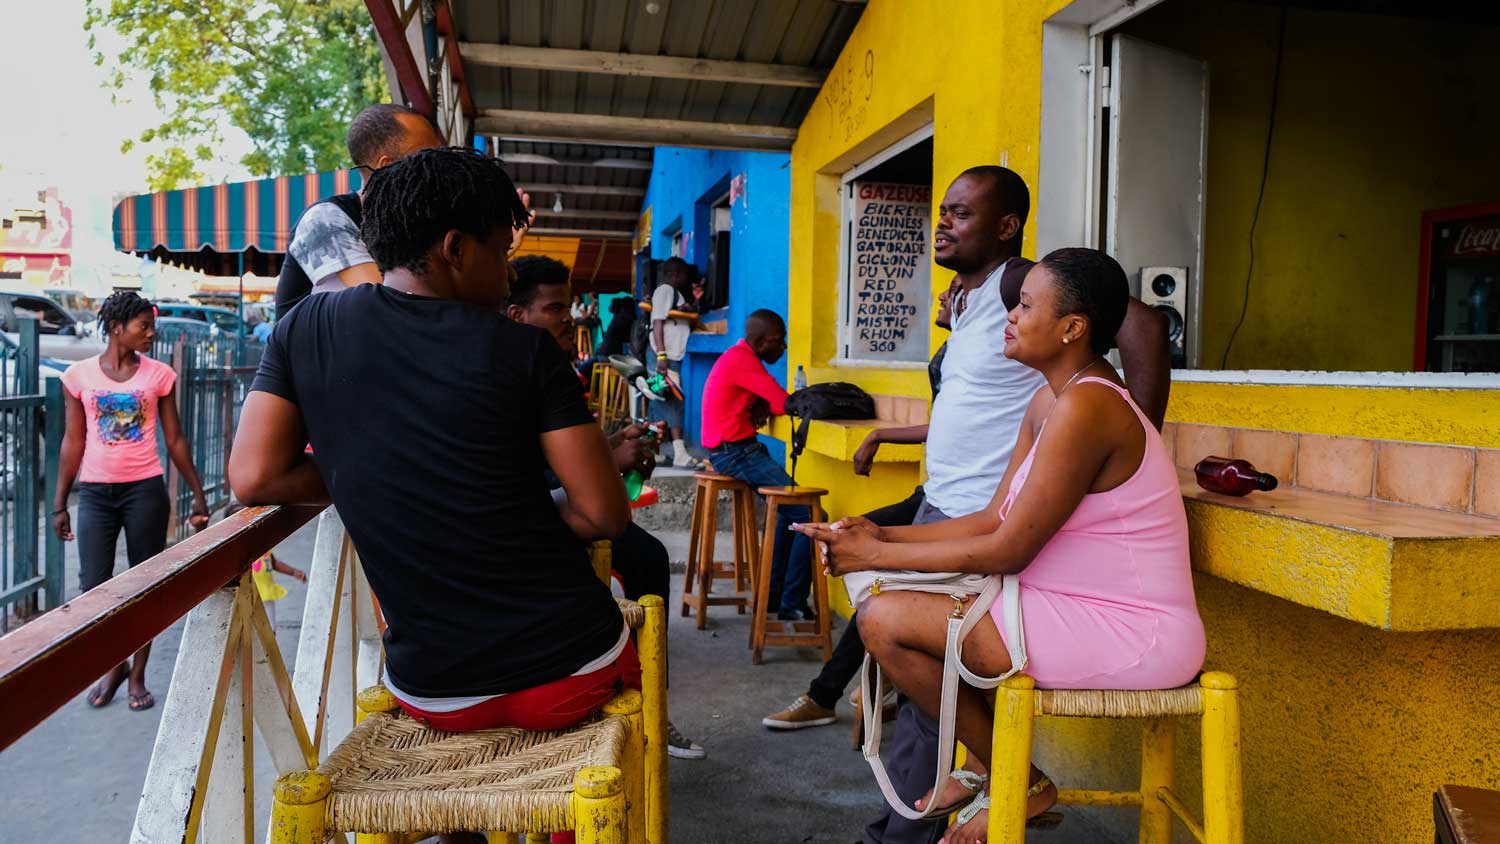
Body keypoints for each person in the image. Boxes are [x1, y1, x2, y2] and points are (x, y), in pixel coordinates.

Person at [790, 165, 1169, 844]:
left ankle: (994, 779)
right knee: (884, 617)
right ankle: (990, 772)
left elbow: (1009, 545)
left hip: (1129, 630)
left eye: (1026, 308)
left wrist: (878, 550)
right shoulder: (1048, 396)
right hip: (1049, 586)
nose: (1012, 315)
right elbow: (995, 519)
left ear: (1073, 327)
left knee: (889, 624)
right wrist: (880, 535)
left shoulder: (1088, 404)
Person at [230, 148, 635, 738]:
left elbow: (255, 478)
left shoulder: (303, 329)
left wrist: (370, 470)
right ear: (454, 249)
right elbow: (603, 514)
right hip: (570, 670)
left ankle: (459, 830)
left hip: (435, 695)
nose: (506, 275)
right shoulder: (524, 351)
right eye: (500, 252)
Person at [507, 254, 706, 759]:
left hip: (555, 503)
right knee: (620, 558)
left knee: (646, 556)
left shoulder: (555, 365)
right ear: (517, 316)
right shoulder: (507, 370)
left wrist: (612, 448)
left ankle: (649, 703)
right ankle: (623, 703)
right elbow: (520, 472)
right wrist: (608, 460)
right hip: (520, 519)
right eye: (555, 309)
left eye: (568, 308)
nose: (570, 319)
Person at [762, 279, 960, 730]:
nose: (943, 295)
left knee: (878, 582)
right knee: (849, 535)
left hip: (961, 504)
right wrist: (878, 433)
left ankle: (831, 691)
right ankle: (874, 672)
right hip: (932, 491)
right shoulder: (956, 352)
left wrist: (880, 433)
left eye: (955, 289)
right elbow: (948, 424)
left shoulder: (989, 358)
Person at [53, 291, 213, 713]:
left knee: (145, 584)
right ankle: (114, 665)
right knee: (94, 589)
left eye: (151, 326)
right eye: (144, 326)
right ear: (116, 327)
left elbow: (175, 439)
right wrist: (58, 502)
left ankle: (137, 673)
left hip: (145, 489)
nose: (150, 333)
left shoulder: (159, 376)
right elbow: (74, 441)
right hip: (95, 493)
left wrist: (197, 493)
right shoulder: (78, 376)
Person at [274, 104, 533, 319]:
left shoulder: (413, 228)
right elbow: (395, 305)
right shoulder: (324, 220)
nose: (439, 164)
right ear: (386, 167)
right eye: (426, 155)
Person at [699, 309, 820, 621]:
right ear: (758, 341)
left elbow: (765, 401)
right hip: (735, 453)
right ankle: (791, 602)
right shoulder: (743, 360)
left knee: (789, 512)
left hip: (730, 449)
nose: (783, 348)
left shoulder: (735, 357)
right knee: (810, 514)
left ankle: (773, 598)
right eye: (777, 342)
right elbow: (783, 402)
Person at [648, 257, 699, 467]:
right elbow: (657, 322)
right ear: (676, 275)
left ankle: (653, 451)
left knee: (658, 402)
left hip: (668, 356)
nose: (687, 279)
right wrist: (661, 355)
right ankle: (679, 453)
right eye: (685, 274)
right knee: (673, 402)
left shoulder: (673, 294)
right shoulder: (665, 290)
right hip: (664, 356)